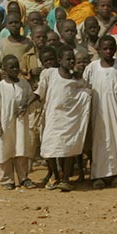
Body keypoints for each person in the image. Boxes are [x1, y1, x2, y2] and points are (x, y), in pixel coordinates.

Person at [37, 46, 91, 191]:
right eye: (68, 59)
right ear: (60, 60)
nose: (71, 61)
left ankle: (66, 178)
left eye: (72, 59)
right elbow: (40, 91)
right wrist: (26, 104)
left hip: (70, 120)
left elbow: (85, 92)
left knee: (68, 148)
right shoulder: (49, 74)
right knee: (48, 147)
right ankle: (55, 174)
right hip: (53, 118)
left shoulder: (76, 79)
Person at [82, 35, 117, 188]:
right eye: (105, 48)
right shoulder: (92, 67)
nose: (109, 51)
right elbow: (85, 87)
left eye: (112, 48)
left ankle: (116, 174)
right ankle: (99, 175)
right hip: (98, 112)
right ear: (99, 50)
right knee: (100, 142)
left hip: (116, 112)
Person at [0, 55, 35, 189]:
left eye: (16, 66)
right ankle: (7, 179)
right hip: (5, 124)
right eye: (11, 67)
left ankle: (23, 177)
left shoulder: (24, 84)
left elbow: (30, 99)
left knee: (21, 149)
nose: (15, 70)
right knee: (5, 150)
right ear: (4, 69)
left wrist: (25, 107)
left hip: (20, 123)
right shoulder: (1, 86)